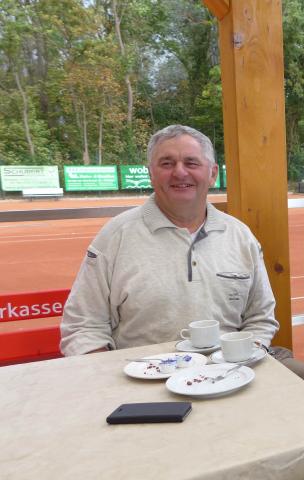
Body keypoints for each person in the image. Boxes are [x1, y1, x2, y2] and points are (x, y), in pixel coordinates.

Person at [60, 125, 278, 356]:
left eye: (191, 163)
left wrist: (247, 358)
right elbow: (83, 327)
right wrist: (112, 375)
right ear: (150, 174)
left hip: (231, 370)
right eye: (167, 163)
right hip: (140, 373)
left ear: (212, 174)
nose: (180, 172)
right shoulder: (115, 236)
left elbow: (260, 318)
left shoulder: (240, 236)